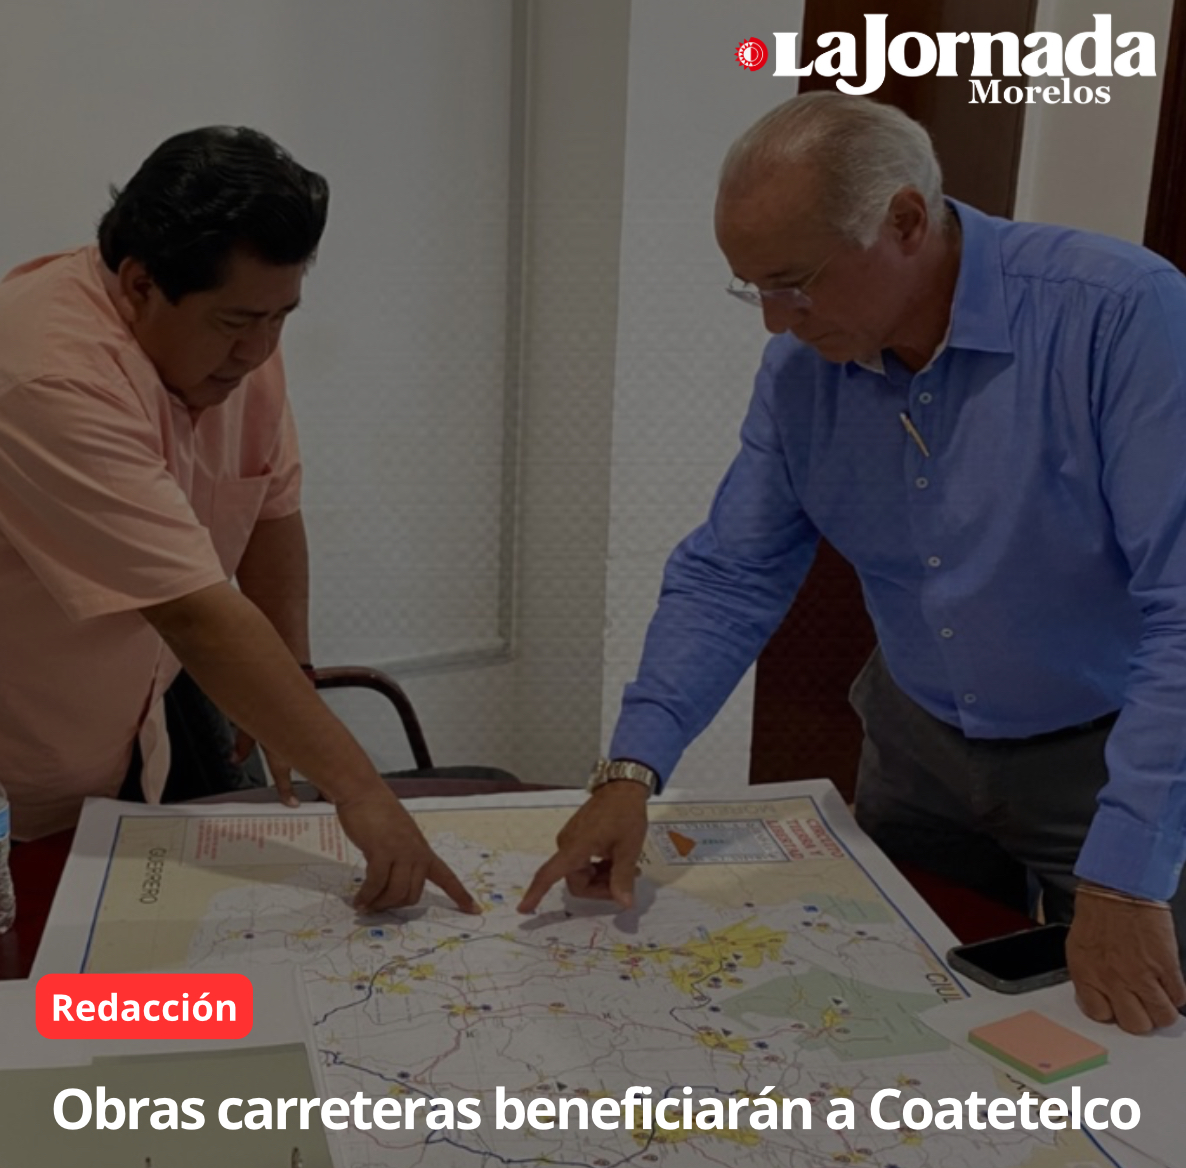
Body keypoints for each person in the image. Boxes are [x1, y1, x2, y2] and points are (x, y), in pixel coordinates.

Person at [520, 92, 1186, 1036]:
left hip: (1111, 756)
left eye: (794, 283)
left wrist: (1125, 875)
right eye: (752, 288)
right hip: (918, 751)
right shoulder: (803, 373)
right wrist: (630, 770)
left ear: (905, 221)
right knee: (918, 1028)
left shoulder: (1119, 315)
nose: (774, 322)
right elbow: (730, 574)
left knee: (1138, 1034)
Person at [0, 125, 476, 915]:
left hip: (138, 724)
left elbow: (270, 508)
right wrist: (360, 790)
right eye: (236, 323)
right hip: (24, 773)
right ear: (140, 284)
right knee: (46, 979)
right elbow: (194, 612)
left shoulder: (238, 333)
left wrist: (293, 677)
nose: (259, 350)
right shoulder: (46, 375)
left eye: (282, 317)